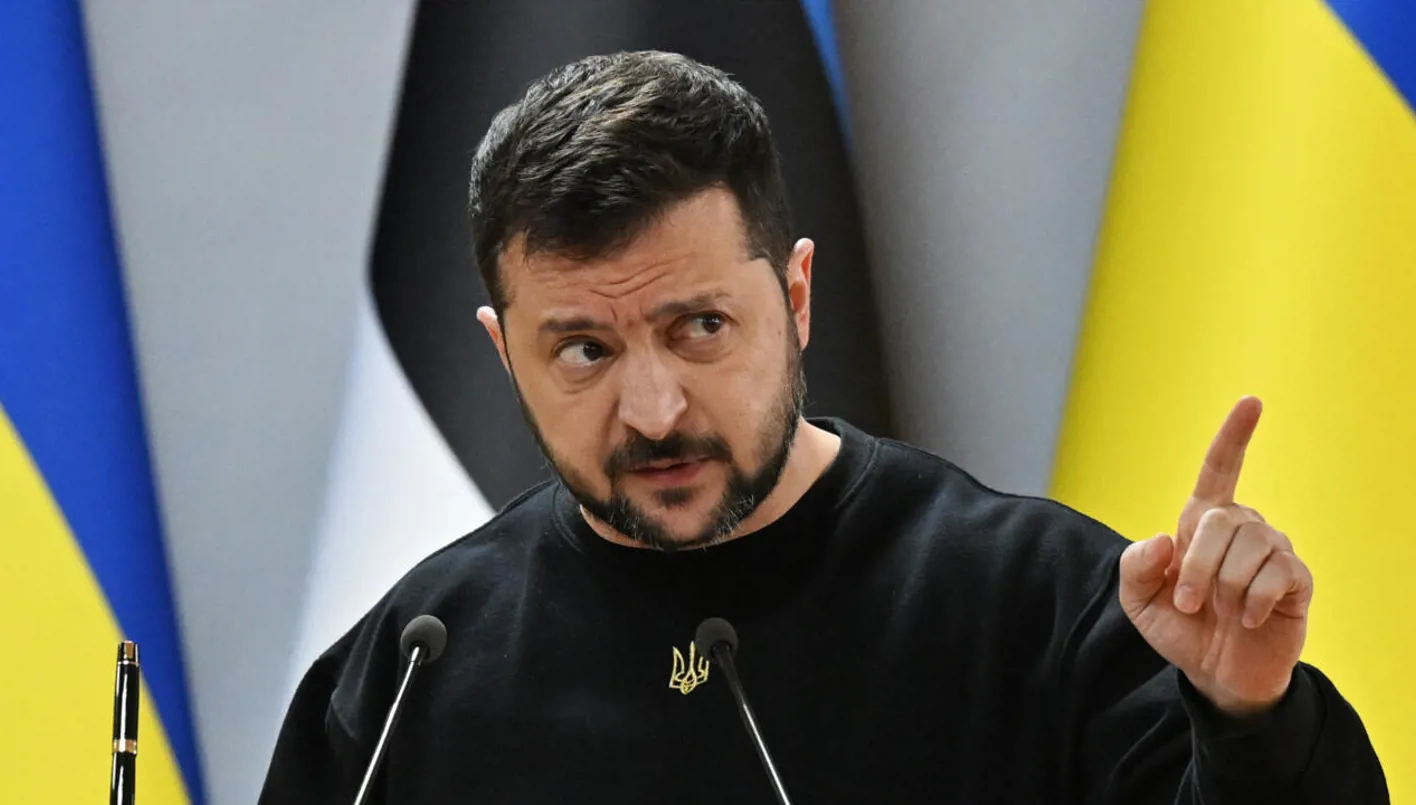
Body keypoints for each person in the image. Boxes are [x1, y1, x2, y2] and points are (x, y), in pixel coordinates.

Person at [259, 50, 1388, 803]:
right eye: (585, 351)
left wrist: (1250, 717)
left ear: (796, 298)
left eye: (700, 327)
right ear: (506, 353)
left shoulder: (1037, 605)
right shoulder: (411, 673)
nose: (653, 410)